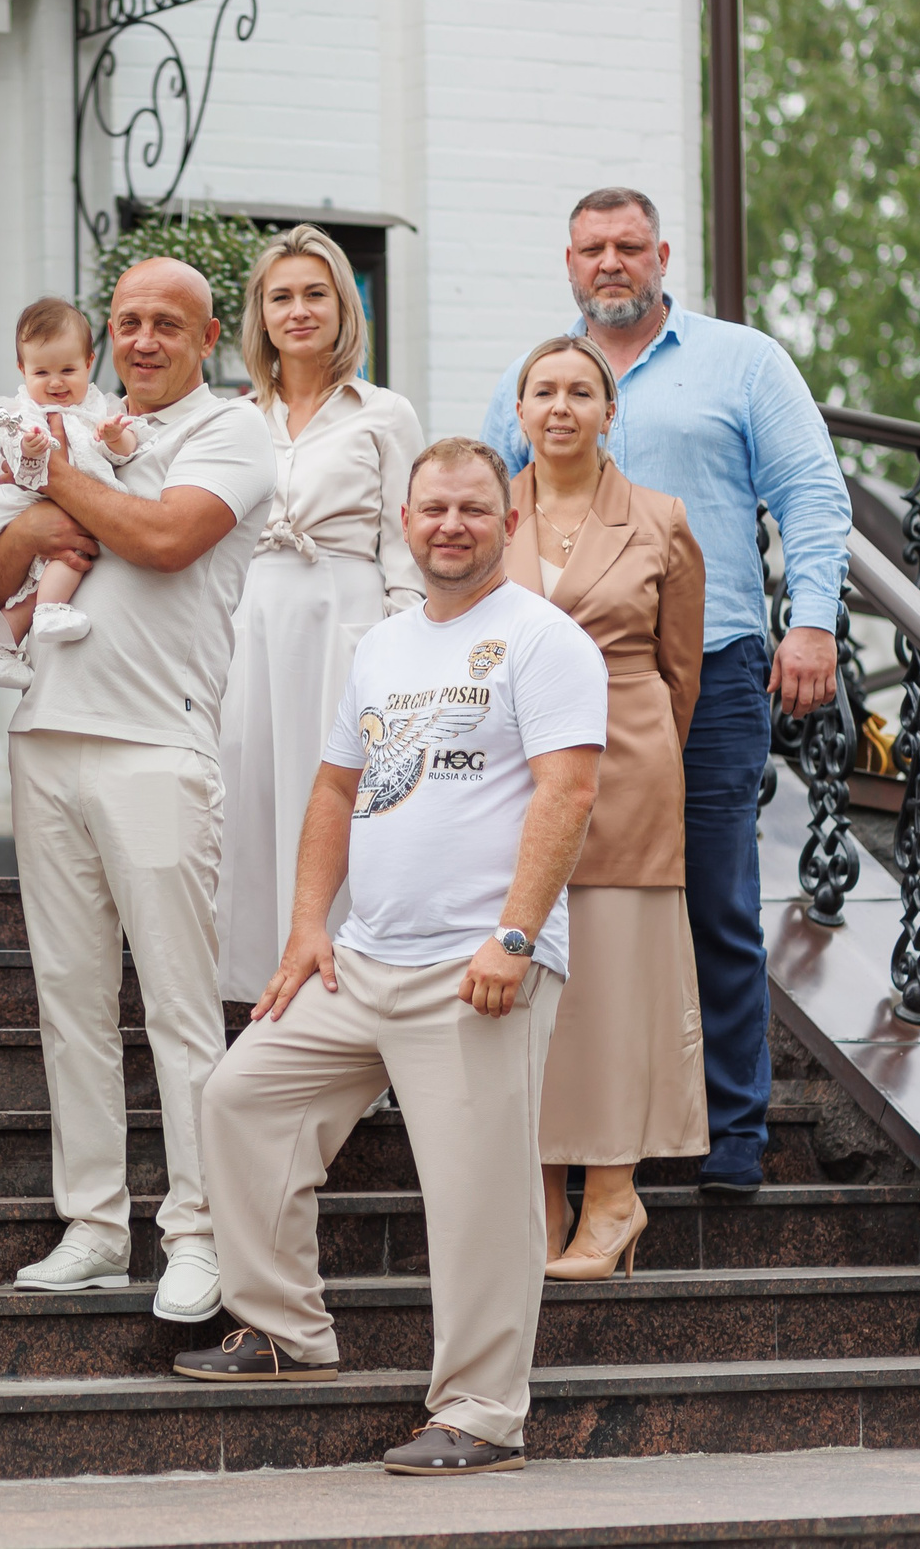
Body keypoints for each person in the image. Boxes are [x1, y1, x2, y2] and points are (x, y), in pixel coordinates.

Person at [182, 437, 607, 1481]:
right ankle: (284, 1329)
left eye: (471, 509)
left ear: (505, 524)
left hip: (475, 967)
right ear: (403, 523)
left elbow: (568, 794)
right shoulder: (379, 646)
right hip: (360, 959)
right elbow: (335, 790)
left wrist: (514, 935)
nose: (450, 526)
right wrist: (307, 926)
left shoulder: (543, 641)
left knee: (476, 1196)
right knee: (241, 1096)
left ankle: (479, 1413)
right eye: (431, 511)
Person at [479, 187, 849, 1195]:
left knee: (711, 900)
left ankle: (730, 1129)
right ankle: (574, 1124)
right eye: (592, 248)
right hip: (542, 688)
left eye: (629, 247)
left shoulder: (742, 360)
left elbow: (811, 492)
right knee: (561, 903)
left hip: (710, 667)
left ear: (661, 255)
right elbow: (476, 503)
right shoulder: (542, 378)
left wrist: (811, 619)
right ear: (568, 261)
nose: (611, 262)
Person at [0, 258, 275, 1323]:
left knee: (181, 1009)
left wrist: (50, 474)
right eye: (128, 322)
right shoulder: (88, 426)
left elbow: (160, 538)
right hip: (44, 736)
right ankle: (95, 1225)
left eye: (168, 324)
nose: (143, 340)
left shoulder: (232, 433)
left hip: (157, 744)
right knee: (68, 1002)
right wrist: (55, 488)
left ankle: (199, 1231)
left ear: (207, 341)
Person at [500, 335, 708, 1278]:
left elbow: (682, 673)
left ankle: (616, 1197)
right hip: (505, 770)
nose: (560, 407)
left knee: (613, 987)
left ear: (610, 412)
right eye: (542, 390)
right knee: (529, 985)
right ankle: (538, 1197)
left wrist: (649, 753)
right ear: (518, 411)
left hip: (624, 763)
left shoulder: (661, 520)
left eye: (581, 391)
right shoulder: (484, 508)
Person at [215, 225, 426, 1004]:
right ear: (260, 315)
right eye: (282, 297)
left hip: (346, 618)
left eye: (315, 294)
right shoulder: (233, 418)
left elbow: (406, 548)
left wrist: (402, 652)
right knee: (246, 797)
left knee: (338, 801)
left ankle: (349, 1001)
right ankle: (249, 991)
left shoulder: (385, 413)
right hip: (248, 624)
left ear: (344, 307)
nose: (299, 310)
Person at [0, 297, 140, 688]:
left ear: (89, 362)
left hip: (67, 503)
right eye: (41, 371)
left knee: (34, 584)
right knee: (74, 553)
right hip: (24, 503)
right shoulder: (23, 412)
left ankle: (0, 649)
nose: (55, 383)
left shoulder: (98, 406)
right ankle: (52, 609)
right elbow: (21, 459)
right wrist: (30, 450)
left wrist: (115, 436)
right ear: (22, 369)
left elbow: (125, 448)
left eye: (68, 369)